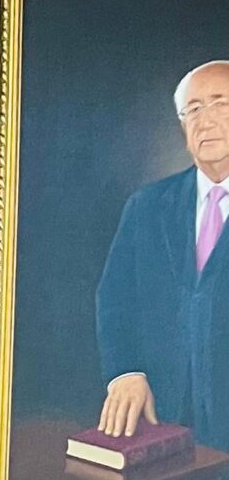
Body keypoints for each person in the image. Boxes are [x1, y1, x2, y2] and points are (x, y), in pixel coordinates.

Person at [96, 60, 229, 449]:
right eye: (193, 109)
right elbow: (115, 298)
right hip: (163, 415)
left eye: (220, 103)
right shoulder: (148, 205)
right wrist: (125, 372)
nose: (205, 120)